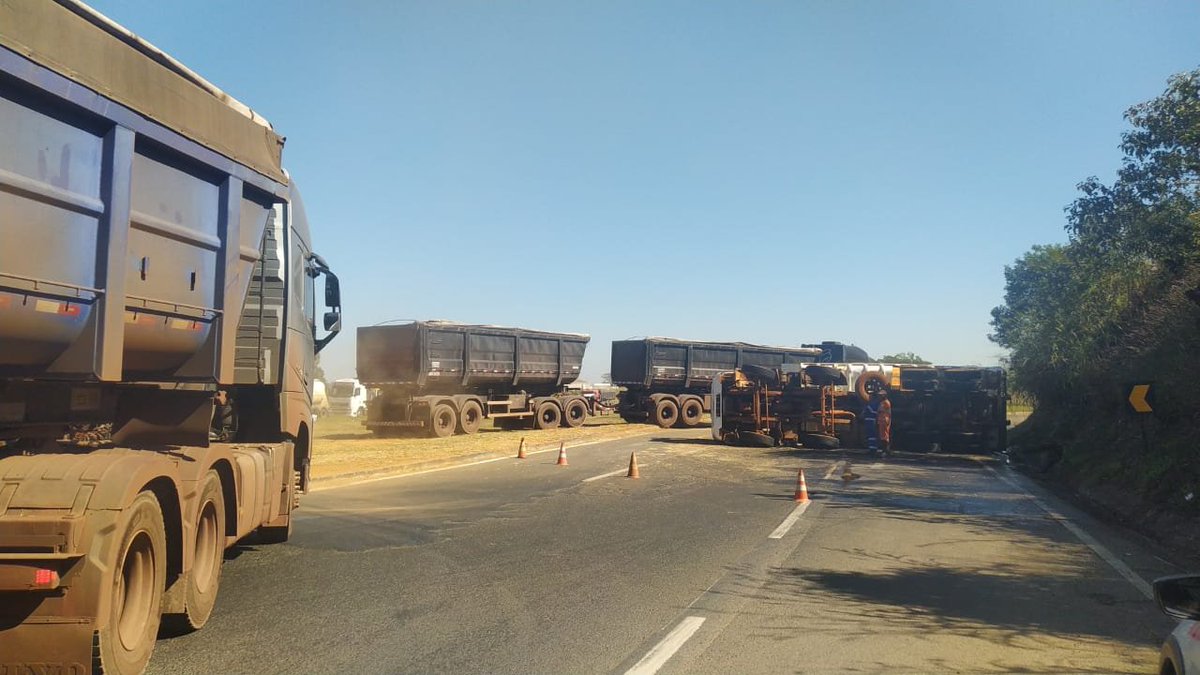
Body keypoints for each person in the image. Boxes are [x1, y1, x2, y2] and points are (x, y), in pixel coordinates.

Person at [877, 389, 892, 454]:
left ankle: (885, 450)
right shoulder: (882, 402)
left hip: (884, 420)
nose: (879, 397)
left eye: (880, 395)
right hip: (882, 420)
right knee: (882, 435)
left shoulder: (886, 402)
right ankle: (885, 450)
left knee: (885, 436)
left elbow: (880, 410)